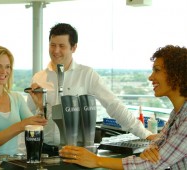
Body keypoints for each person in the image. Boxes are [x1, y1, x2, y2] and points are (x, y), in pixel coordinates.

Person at [27, 23, 154, 153]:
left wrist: (145, 134)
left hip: (77, 151)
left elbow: (114, 105)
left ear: (74, 47)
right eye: (52, 45)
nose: (56, 51)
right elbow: (27, 118)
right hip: (45, 150)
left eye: (62, 46)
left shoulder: (87, 74)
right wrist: (39, 108)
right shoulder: (39, 78)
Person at [59, 45, 187, 170]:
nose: (150, 77)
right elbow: (158, 144)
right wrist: (151, 148)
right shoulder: (177, 113)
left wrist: (96, 160)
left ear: (176, 74)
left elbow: (152, 164)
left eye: (157, 70)